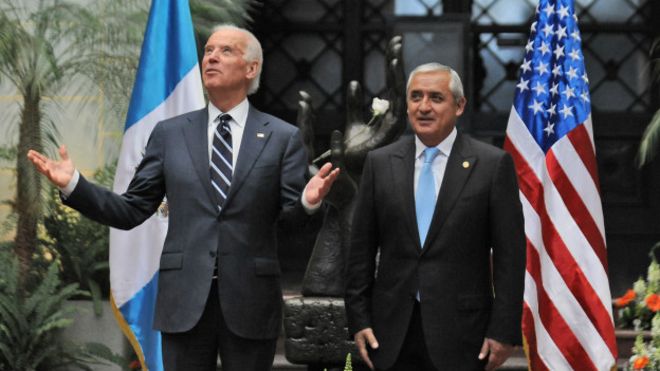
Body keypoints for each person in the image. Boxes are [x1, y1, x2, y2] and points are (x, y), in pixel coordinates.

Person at [28, 24, 339, 371]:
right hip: (184, 300)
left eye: (225, 51)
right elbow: (130, 209)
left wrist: (309, 203)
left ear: (251, 68)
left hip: (251, 300)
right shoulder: (170, 134)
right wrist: (74, 183)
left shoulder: (283, 137)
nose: (211, 58)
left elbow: (289, 225)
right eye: (208, 50)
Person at [344, 62, 525, 371]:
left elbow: (511, 256)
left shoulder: (492, 165)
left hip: (463, 334)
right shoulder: (380, 162)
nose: (423, 107)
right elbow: (360, 249)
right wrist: (358, 320)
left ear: (459, 105)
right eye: (416, 97)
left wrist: (503, 331)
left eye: (436, 98)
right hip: (389, 334)